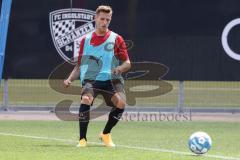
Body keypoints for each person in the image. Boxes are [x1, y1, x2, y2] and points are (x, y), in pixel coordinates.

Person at [63, 5, 131, 147]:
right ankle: (82, 140)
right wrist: (69, 79)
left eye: (107, 19)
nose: (104, 22)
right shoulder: (85, 40)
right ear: (95, 18)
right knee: (86, 99)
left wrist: (119, 68)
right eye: (102, 19)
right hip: (91, 80)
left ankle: (105, 134)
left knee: (121, 103)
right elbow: (79, 65)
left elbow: (127, 63)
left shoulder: (116, 38)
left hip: (111, 80)